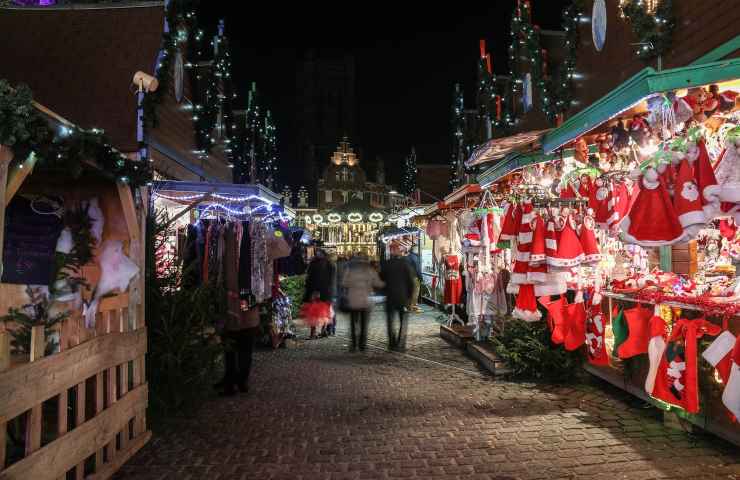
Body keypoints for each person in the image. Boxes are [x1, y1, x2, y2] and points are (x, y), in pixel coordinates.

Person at [341, 253, 384, 351]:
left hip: (353, 300)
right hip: (365, 300)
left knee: (353, 323)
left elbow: (344, 283)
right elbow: (377, 283)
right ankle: (362, 345)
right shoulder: (369, 270)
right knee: (364, 324)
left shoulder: (350, 270)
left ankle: (353, 344)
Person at [380, 242, 416, 351]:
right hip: (402, 297)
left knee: (390, 321)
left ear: (390, 251)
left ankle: (392, 343)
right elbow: (411, 282)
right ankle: (401, 344)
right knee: (403, 321)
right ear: (399, 251)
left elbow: (381, 280)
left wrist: (385, 291)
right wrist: (410, 297)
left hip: (390, 297)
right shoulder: (405, 264)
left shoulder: (386, 264)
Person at [303, 248, 335, 339]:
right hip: (323, 292)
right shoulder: (328, 263)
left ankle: (316, 332)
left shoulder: (320, 264)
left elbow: (310, 278)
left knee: (315, 313)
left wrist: (314, 290)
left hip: (318, 292)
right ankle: (321, 331)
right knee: (322, 312)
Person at [404, 243, 423, 314]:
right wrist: (420, 277)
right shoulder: (415, 257)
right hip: (414, 277)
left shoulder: (406, 257)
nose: (420, 250)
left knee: (409, 292)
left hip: (407, 277)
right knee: (415, 292)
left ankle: (408, 306)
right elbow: (417, 269)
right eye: (419, 249)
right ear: (415, 250)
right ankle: (413, 307)